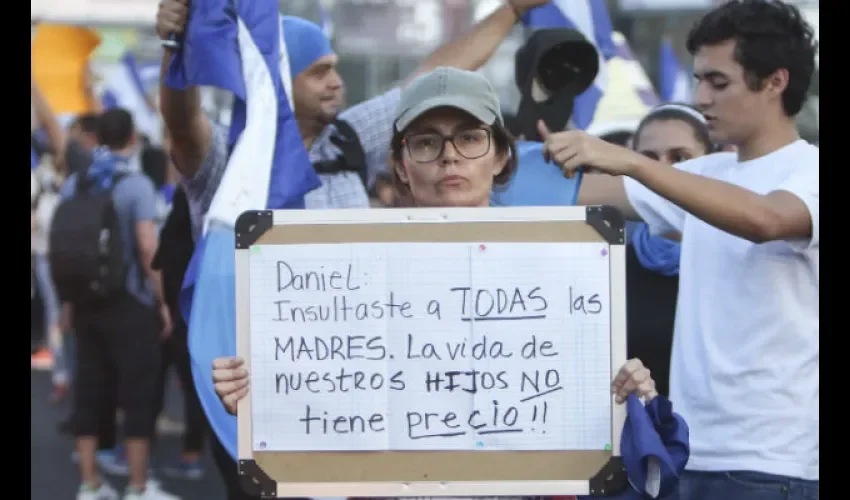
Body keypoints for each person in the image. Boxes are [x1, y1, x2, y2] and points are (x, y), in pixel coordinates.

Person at [211, 66, 689, 500]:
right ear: (400, 164)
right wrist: (258, 398)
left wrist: (633, 394)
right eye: (426, 142)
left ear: (501, 155)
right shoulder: (341, 274)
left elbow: (586, 404)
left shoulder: (568, 265)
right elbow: (317, 391)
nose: (449, 157)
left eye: (468, 138)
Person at [538, 1, 818, 498]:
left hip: (774, 466)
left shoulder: (808, 173)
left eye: (718, 82)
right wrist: (487, 154)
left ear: (776, 81)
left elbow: (766, 219)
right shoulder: (704, 176)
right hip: (686, 454)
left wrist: (631, 160)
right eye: (698, 80)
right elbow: (578, 194)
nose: (700, 97)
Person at [59, 108, 176, 500]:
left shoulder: (76, 182)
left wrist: (68, 304)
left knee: (89, 393)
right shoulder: (136, 184)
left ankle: (90, 483)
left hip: (85, 301)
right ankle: (139, 487)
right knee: (138, 394)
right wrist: (163, 303)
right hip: (130, 304)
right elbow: (147, 248)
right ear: (132, 138)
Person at [623, 103, 713, 398]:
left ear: (711, 164)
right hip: (639, 436)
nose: (662, 170)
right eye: (648, 159)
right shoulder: (609, 262)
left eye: (681, 158)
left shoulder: (736, 258)